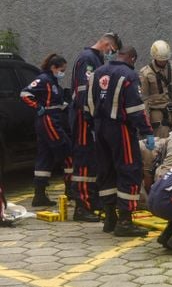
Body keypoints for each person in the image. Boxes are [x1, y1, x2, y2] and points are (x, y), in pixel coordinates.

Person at [87, 46, 154, 237]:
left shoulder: (98, 72)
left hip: (99, 128)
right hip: (120, 129)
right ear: (132, 58)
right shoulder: (128, 75)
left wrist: (93, 124)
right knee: (129, 169)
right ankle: (125, 221)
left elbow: (86, 102)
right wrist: (146, 131)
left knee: (106, 170)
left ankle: (110, 218)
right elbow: (135, 108)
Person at [69, 32, 122, 222]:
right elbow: (85, 91)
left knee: (92, 161)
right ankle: (81, 207)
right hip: (85, 118)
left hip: (92, 118)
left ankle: (91, 201)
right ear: (107, 44)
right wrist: (90, 116)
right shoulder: (88, 59)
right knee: (83, 162)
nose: (112, 55)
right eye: (112, 51)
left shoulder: (95, 59)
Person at [20, 53, 71, 207]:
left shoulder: (53, 81)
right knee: (68, 152)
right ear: (53, 67)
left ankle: (39, 195)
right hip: (49, 121)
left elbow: (56, 101)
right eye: (61, 69)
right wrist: (37, 106)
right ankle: (72, 191)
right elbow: (25, 93)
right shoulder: (44, 79)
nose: (62, 72)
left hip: (51, 119)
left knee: (45, 156)